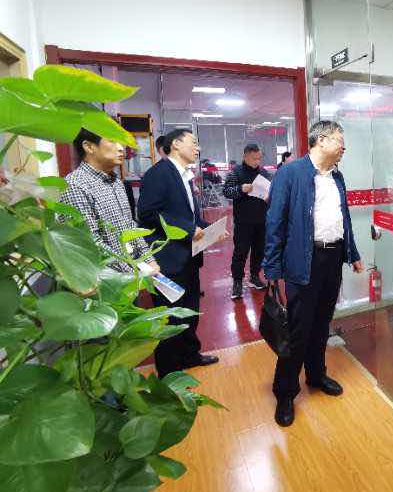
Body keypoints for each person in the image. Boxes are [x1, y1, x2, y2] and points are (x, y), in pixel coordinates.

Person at [264, 120, 363, 427]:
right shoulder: (291, 173)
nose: (344, 146)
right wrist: (272, 267)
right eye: (339, 140)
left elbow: (344, 218)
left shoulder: (337, 177)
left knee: (321, 324)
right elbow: (275, 222)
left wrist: (353, 253)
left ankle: (316, 376)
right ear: (321, 140)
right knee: (298, 329)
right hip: (303, 260)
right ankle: (285, 392)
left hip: (332, 257)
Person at [138, 128, 220, 378]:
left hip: (189, 257)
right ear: (175, 144)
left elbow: (189, 216)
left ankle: (190, 355)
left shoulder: (185, 176)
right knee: (170, 316)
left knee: (189, 310)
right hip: (168, 259)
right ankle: (170, 373)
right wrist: (188, 229)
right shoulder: (159, 174)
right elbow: (148, 213)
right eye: (193, 143)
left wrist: (210, 229)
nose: (197, 148)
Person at [61, 128, 158, 275]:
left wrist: (149, 259)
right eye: (113, 141)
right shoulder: (76, 185)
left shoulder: (116, 182)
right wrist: (132, 274)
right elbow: (90, 242)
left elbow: (129, 225)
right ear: (89, 147)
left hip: (133, 272)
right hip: (107, 279)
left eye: (121, 142)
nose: (121, 148)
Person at [223, 144, 269, 299]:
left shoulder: (263, 173)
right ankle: (237, 282)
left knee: (259, 251)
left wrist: (269, 196)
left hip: (262, 220)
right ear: (245, 157)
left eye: (259, 158)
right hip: (243, 221)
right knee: (240, 252)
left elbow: (270, 191)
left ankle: (255, 276)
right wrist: (240, 189)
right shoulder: (235, 172)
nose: (257, 162)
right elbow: (226, 191)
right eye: (254, 158)